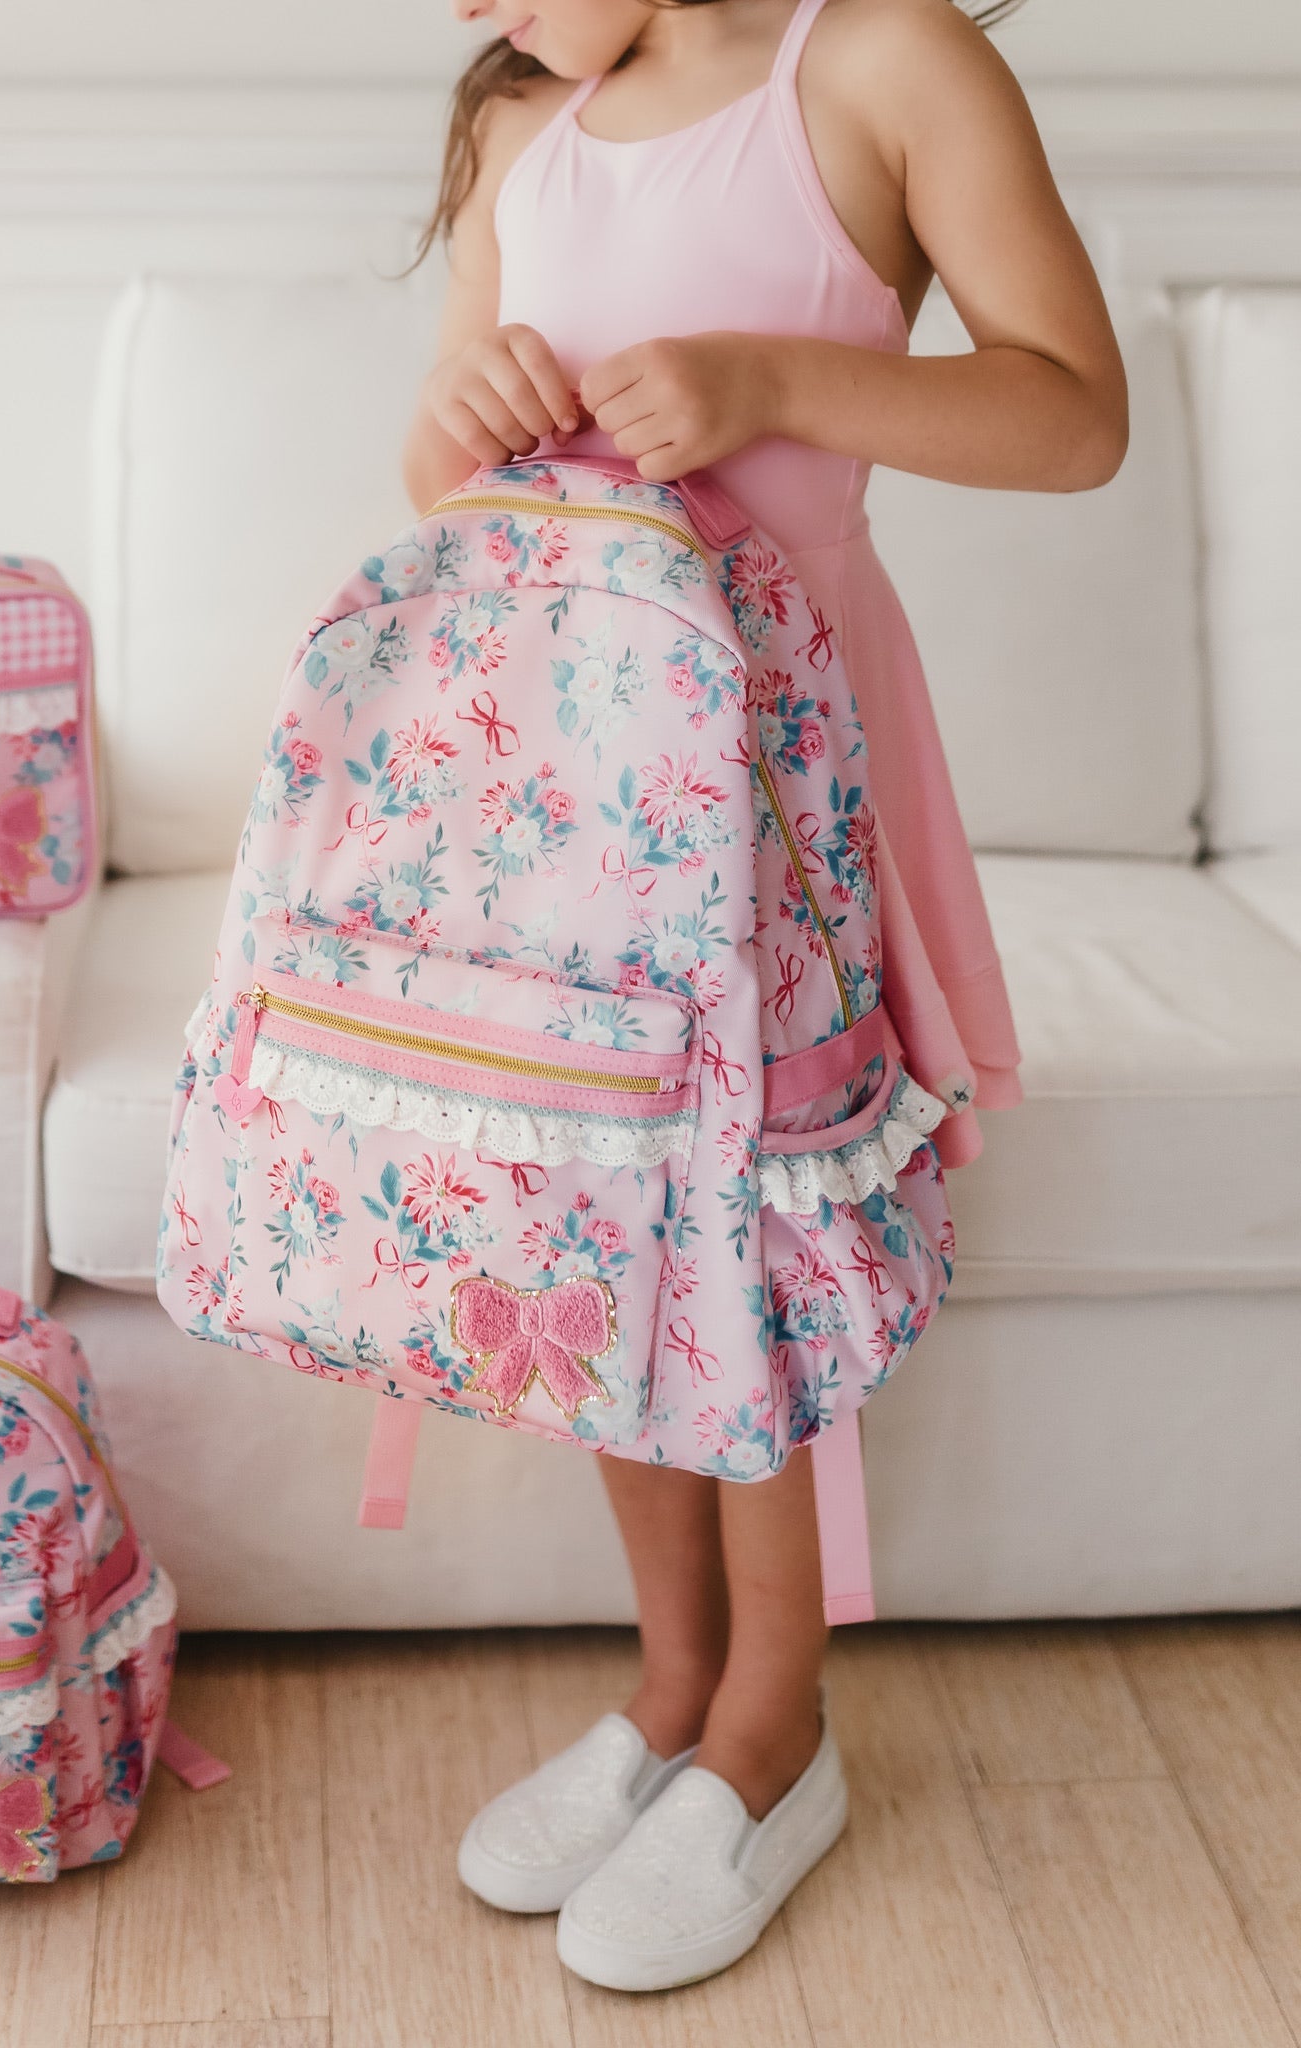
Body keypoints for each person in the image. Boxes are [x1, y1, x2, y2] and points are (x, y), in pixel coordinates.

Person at [404, 0, 1127, 1993]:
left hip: (775, 772)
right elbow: (438, 477)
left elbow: (1074, 416)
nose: (460, 7)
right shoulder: (521, 119)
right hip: (556, 765)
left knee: (750, 1226)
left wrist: (771, 380)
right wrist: (457, 413)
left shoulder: (883, 66)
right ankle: (670, 1694)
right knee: (598, 1215)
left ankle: (771, 1725)